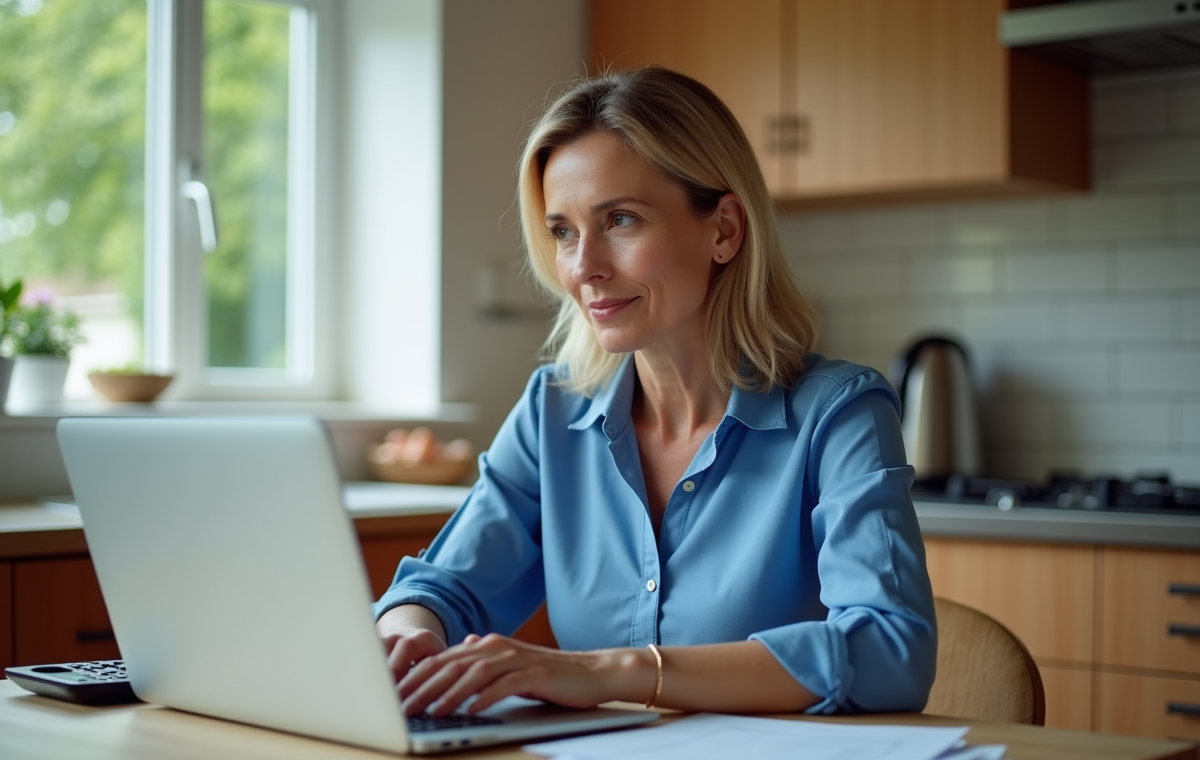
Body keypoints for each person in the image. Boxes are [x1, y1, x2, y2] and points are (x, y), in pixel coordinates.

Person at [372, 66, 936, 719]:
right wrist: (407, 637)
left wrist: (614, 672)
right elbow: (444, 587)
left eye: (621, 220)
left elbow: (893, 653)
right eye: (562, 231)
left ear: (724, 230)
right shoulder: (553, 412)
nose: (584, 267)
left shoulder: (838, 415)